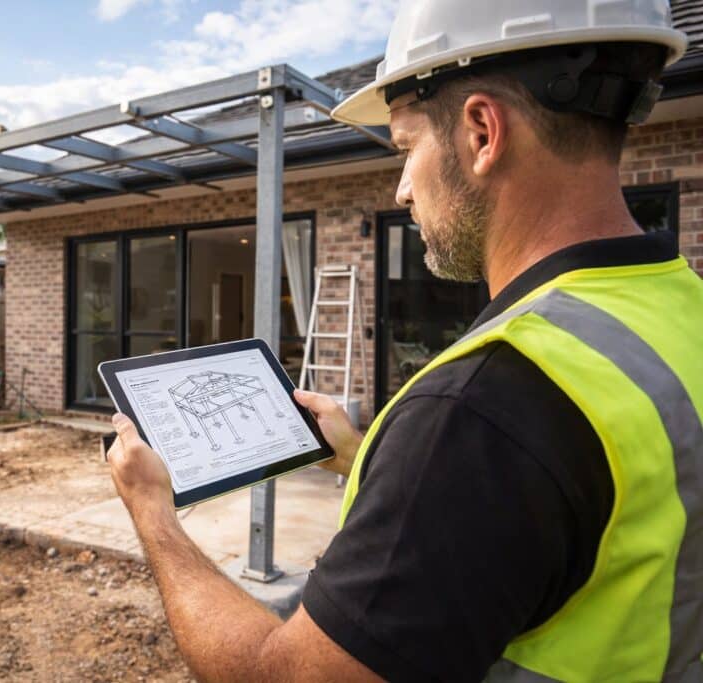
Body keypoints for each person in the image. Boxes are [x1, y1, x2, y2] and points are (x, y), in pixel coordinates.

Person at [106, 1, 703, 680]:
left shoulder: (479, 410)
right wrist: (362, 457)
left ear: (482, 132)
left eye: (404, 147)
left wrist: (153, 510)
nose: (400, 190)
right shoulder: (680, 307)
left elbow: (282, 675)